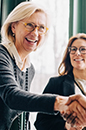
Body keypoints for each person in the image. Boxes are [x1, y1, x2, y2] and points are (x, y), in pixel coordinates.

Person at [0, 1, 74, 130]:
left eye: (41, 28)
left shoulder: (29, 68)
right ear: (13, 27)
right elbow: (12, 96)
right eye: (29, 25)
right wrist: (61, 103)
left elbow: (21, 109)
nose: (35, 33)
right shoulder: (2, 55)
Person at [34, 33, 86, 130]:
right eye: (73, 49)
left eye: (83, 49)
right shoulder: (56, 83)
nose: (77, 53)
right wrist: (66, 126)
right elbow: (41, 123)